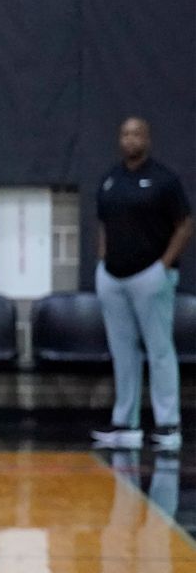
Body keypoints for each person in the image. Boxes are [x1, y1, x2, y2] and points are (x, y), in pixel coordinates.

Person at [92, 117, 191, 451]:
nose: (130, 139)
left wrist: (163, 266)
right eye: (125, 133)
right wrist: (103, 262)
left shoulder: (164, 180)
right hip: (113, 279)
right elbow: (103, 223)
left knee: (159, 350)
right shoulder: (110, 179)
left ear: (147, 139)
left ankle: (168, 425)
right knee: (123, 353)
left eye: (137, 134)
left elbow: (185, 224)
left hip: (151, 276)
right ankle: (126, 423)